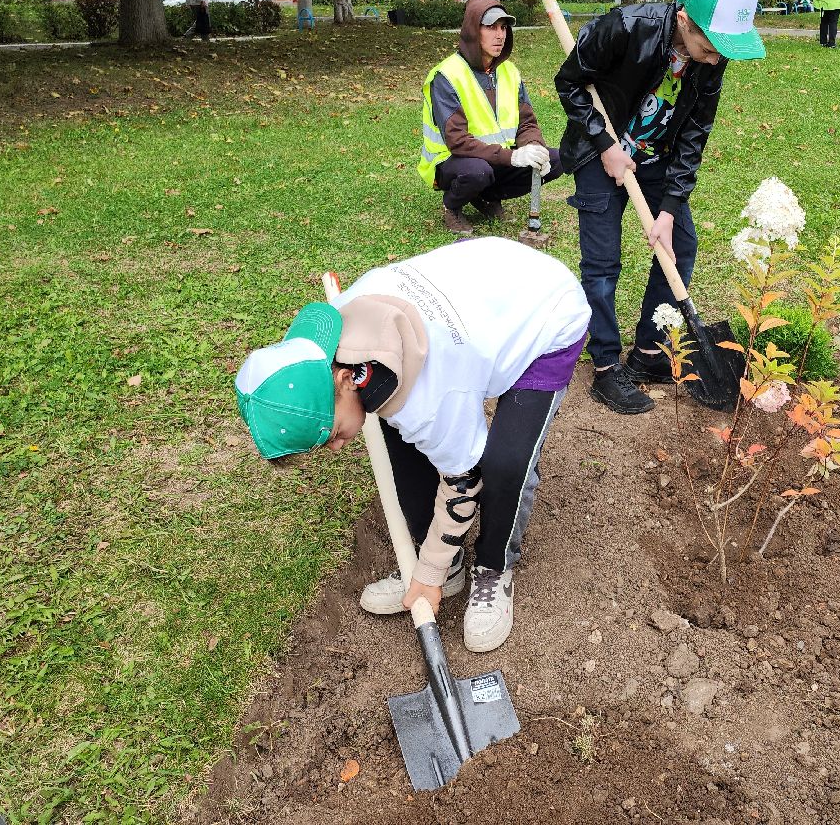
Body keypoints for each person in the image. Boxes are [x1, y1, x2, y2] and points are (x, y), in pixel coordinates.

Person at [234, 237, 591, 652]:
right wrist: (434, 565)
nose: (334, 449)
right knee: (395, 435)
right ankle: (446, 563)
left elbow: (463, 480)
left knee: (505, 464)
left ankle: (493, 567)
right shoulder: (335, 345)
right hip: (484, 296)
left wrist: (427, 576)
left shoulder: (431, 398)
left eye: (329, 435)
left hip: (544, 311)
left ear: (344, 378)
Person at [554, 0, 765, 414]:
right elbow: (569, 83)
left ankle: (648, 352)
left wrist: (670, 207)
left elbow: (694, 135)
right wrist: (606, 144)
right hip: (598, 154)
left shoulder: (712, 60)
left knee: (680, 245)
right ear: (686, 21)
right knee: (603, 264)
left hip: (656, 158)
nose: (714, 61)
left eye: (721, 54)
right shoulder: (628, 27)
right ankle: (607, 366)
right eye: (709, 49)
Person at [419, 0, 561, 235]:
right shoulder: (446, 75)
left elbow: (526, 122)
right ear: (473, 31)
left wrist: (534, 148)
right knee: (478, 172)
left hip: (495, 158)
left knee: (555, 160)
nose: (500, 35)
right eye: (491, 27)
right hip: (454, 161)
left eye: (504, 28)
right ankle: (451, 206)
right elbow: (457, 141)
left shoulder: (509, 71)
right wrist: (512, 157)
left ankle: (486, 197)